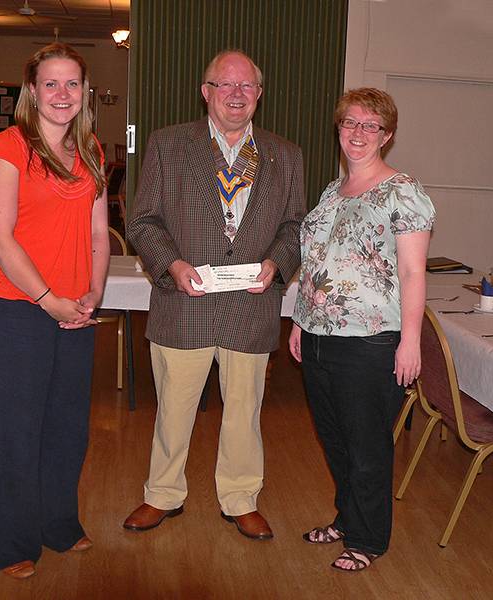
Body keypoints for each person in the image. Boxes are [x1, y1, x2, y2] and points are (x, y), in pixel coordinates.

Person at [124, 50, 305, 540]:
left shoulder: (283, 154)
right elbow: (143, 220)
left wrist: (277, 264)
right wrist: (173, 265)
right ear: (206, 92)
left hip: (251, 305)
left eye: (246, 86)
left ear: (259, 95)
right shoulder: (168, 146)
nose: (236, 94)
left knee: (244, 412)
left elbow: (294, 226)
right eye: (225, 85)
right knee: (173, 409)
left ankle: (241, 498)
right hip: (184, 304)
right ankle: (161, 494)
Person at [288, 88, 435, 571]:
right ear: (339, 128)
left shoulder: (402, 191)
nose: (358, 133)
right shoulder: (334, 190)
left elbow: (414, 272)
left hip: (370, 342)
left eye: (370, 125)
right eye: (350, 122)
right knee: (334, 438)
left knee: (367, 443)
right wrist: (298, 319)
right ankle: (348, 518)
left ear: (386, 135)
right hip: (317, 335)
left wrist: (410, 342)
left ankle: (369, 538)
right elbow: (316, 261)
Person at [0, 43, 109, 579]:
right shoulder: (9, 147)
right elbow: (1, 238)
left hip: (76, 310)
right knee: (14, 429)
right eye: (51, 84)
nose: (62, 94)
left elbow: (100, 234)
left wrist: (92, 294)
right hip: (18, 309)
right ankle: (9, 544)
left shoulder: (92, 150)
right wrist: (48, 300)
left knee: (66, 428)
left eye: (72, 84)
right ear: (31, 91)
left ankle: (58, 525)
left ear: (84, 91)